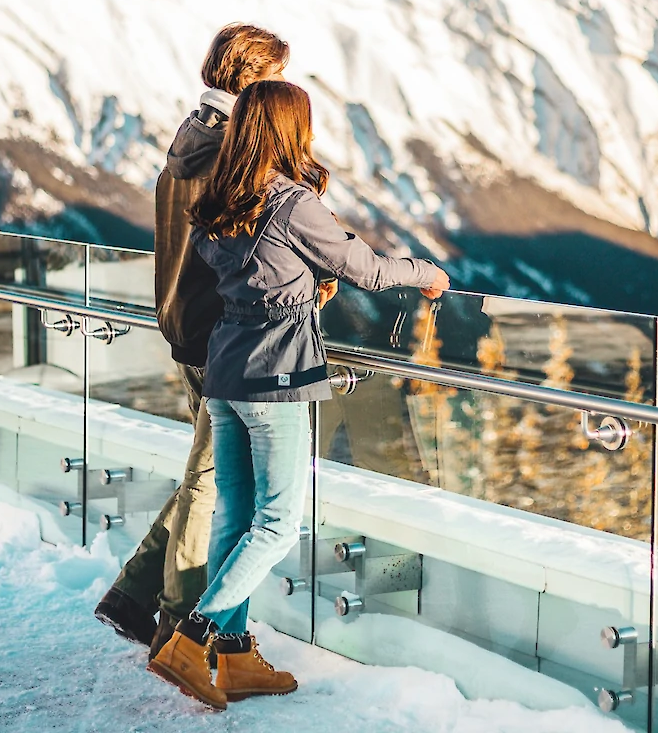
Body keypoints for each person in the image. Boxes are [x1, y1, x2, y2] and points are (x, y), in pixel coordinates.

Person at [148, 79, 449, 710]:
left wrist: (295, 282)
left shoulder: (219, 196)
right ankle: (194, 636)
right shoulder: (288, 200)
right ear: (291, 130)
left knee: (235, 513)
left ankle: (231, 657)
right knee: (280, 521)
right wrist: (427, 275)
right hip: (275, 376)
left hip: (225, 371)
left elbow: (247, 270)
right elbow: (363, 266)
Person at [94, 24, 302, 658]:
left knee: (204, 474)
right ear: (253, 81)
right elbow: (263, 245)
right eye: (274, 80)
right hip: (227, 337)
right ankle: (179, 620)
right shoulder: (229, 156)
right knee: (213, 481)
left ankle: (132, 597)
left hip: (184, 326)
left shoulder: (188, 139)